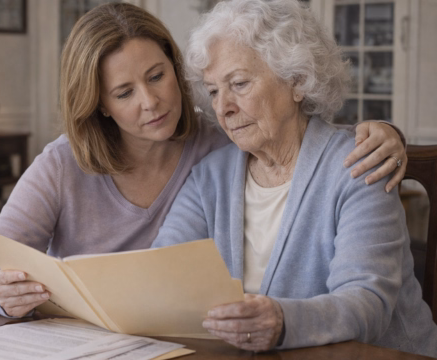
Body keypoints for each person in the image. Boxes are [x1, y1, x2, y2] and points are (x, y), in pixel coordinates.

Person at [0, 3, 407, 320]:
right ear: (100, 105)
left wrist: (390, 133)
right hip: (95, 332)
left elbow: (301, 132)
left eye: (157, 76)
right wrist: (0, 291)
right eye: (125, 92)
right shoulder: (66, 164)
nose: (151, 102)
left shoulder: (217, 145)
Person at [150, 0, 437, 356]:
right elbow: (159, 272)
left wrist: (283, 321)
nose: (223, 107)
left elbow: (367, 303)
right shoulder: (210, 176)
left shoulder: (358, 163)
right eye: (213, 91)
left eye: (239, 83)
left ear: (297, 81)